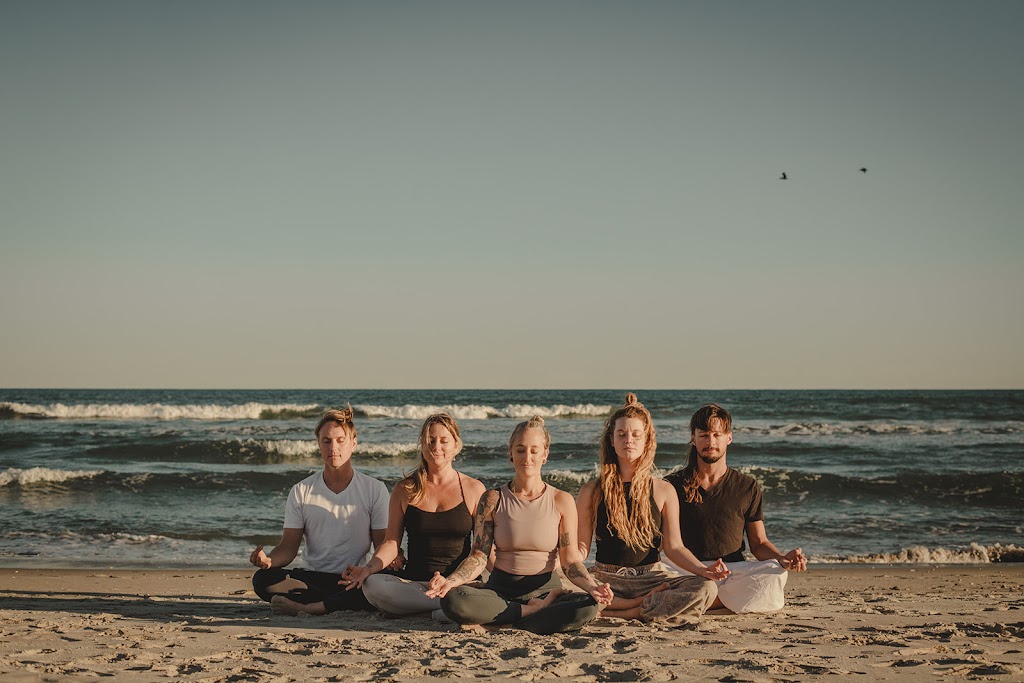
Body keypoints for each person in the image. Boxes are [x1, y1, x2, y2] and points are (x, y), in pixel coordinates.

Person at [426, 416, 614, 635]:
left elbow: (570, 561)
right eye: (521, 449)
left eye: (534, 450)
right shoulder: (492, 499)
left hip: (547, 592)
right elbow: (478, 555)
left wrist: (592, 587)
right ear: (511, 452)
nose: (527, 457)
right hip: (501, 591)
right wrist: (451, 581)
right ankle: (531, 614)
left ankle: (506, 622)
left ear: (545, 454)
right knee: (452, 600)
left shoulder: (561, 500)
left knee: (590, 605)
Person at [577, 393, 728, 625]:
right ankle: (638, 608)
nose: (629, 440)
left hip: (651, 579)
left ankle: (625, 612)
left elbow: (674, 548)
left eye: (636, 435)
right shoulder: (592, 490)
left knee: (706, 588)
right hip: (606, 579)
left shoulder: (663, 490)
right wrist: (563, 562)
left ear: (647, 441)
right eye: (621, 434)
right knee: (563, 589)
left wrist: (703, 570)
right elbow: (581, 549)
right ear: (611, 440)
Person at [663, 403, 806, 613]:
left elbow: (759, 543)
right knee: (658, 572)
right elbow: (664, 543)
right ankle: (714, 601)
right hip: (686, 569)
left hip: (731, 572)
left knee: (775, 572)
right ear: (693, 438)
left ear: (729, 437)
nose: (710, 442)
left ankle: (701, 601)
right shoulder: (672, 485)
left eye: (716, 434)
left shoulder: (747, 486)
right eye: (703, 435)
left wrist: (782, 558)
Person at [341, 413, 486, 619]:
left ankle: (428, 610)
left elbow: (480, 553)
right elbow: (391, 542)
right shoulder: (405, 489)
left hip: (458, 584)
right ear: (422, 445)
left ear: (456, 446)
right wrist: (368, 568)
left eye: (444, 441)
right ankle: (444, 609)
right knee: (372, 585)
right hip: (415, 585)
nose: (436, 446)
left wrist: (452, 581)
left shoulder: (474, 489)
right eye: (430, 440)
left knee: (467, 597)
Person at [249, 407, 390, 615]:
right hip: (312, 578)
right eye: (326, 441)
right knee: (262, 580)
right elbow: (288, 548)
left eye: (340, 440)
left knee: (375, 585)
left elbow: (382, 546)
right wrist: (268, 561)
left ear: (353, 443)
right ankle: (331, 603)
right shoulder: (301, 490)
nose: (333, 447)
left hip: (354, 579)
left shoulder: (374, 489)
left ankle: (308, 607)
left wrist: (367, 570)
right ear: (319, 445)